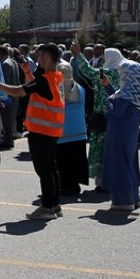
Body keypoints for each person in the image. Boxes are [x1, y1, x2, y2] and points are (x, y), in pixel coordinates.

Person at [0, 44, 66, 219]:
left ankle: (48, 207)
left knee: (44, 170)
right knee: (51, 168)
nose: (38, 59)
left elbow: (20, 91)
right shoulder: (54, 76)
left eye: (41, 56)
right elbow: (35, 85)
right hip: (51, 130)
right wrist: (27, 72)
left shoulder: (44, 80)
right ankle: (55, 204)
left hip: (41, 131)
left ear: (48, 58)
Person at [99, 48, 140, 211]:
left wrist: (107, 99)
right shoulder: (134, 92)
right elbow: (119, 98)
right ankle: (135, 197)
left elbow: (115, 110)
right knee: (129, 164)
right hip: (129, 134)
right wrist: (109, 88)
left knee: (119, 165)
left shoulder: (126, 95)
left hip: (118, 135)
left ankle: (123, 201)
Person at [69, 40, 117, 187]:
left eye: (104, 57)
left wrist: (78, 55)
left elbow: (88, 71)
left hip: (102, 114)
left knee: (101, 147)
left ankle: (103, 180)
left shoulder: (108, 72)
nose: (102, 59)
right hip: (112, 113)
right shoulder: (121, 71)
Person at [55, 61, 89, 198]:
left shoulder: (59, 88)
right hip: (79, 131)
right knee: (76, 160)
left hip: (64, 131)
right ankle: (74, 185)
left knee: (63, 161)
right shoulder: (80, 88)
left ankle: (65, 186)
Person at [0, 45, 21, 148]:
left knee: (7, 118)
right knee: (11, 118)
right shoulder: (13, 61)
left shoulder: (5, 64)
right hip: (15, 93)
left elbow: (4, 80)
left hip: (9, 95)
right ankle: (11, 137)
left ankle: (8, 140)